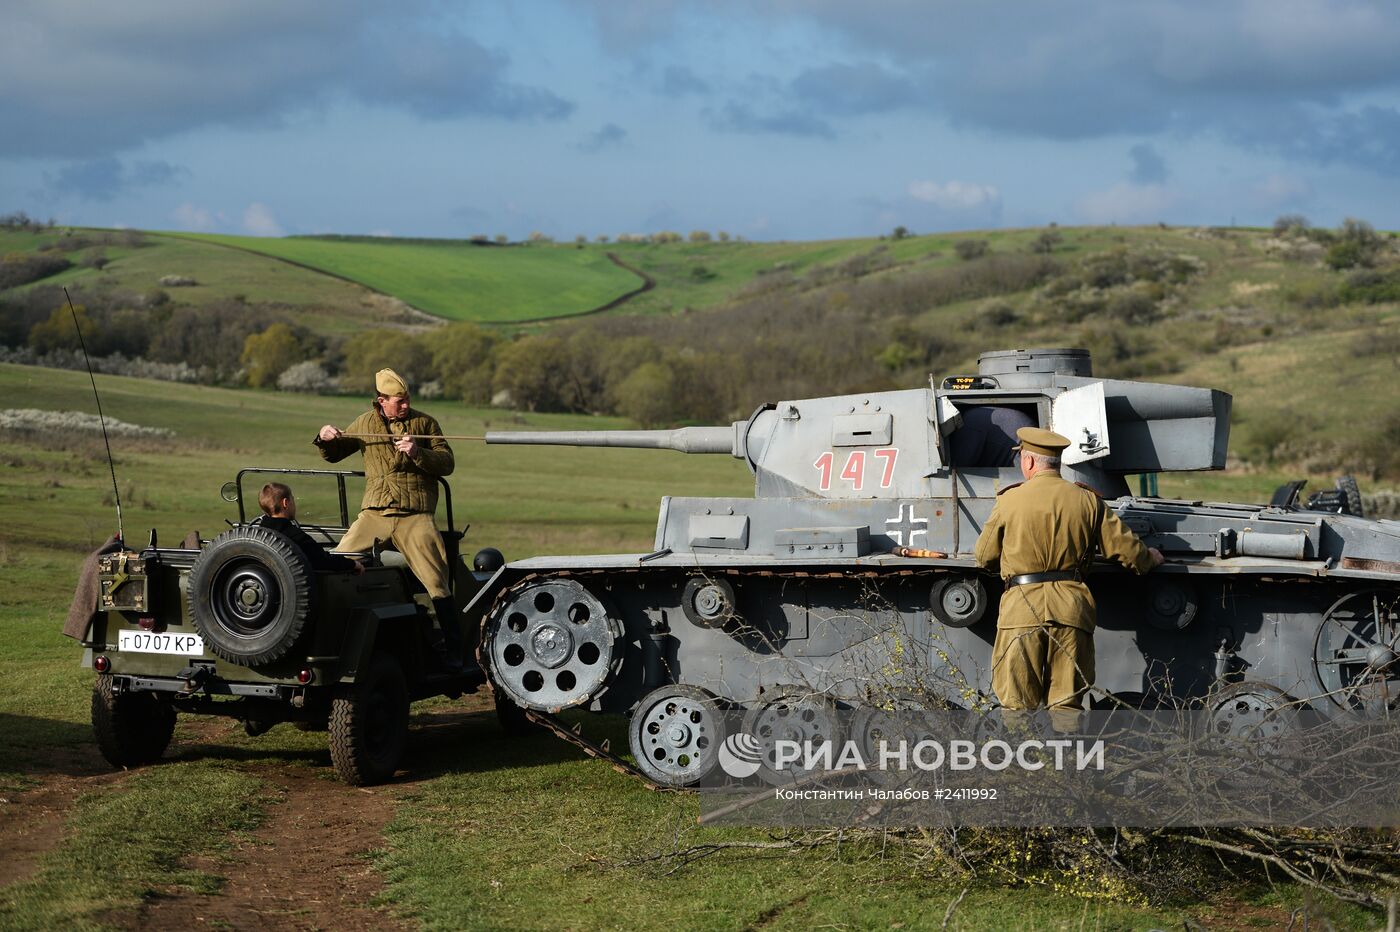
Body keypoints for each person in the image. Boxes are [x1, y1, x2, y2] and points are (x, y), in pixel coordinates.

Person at [974, 426, 1164, 728]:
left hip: (1021, 610)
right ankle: (1068, 771)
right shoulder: (1087, 500)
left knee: (1017, 707)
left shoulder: (1009, 501)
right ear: (1056, 463)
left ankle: (1023, 770)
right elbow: (1130, 554)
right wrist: (1150, 558)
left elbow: (983, 556)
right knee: (1067, 706)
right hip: (1071, 611)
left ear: (1029, 462)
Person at [314, 367, 462, 669]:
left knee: (437, 581)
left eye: (407, 399)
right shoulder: (364, 423)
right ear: (382, 400)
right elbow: (335, 452)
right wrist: (324, 437)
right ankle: (325, 640)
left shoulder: (425, 423)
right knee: (339, 563)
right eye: (399, 400)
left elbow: (447, 463)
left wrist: (417, 452)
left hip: (415, 515)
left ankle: (452, 651)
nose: (405, 405)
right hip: (376, 511)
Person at [255, 482, 365, 575]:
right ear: (285, 503)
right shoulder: (295, 536)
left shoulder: (256, 535)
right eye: (292, 499)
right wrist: (353, 564)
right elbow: (322, 561)